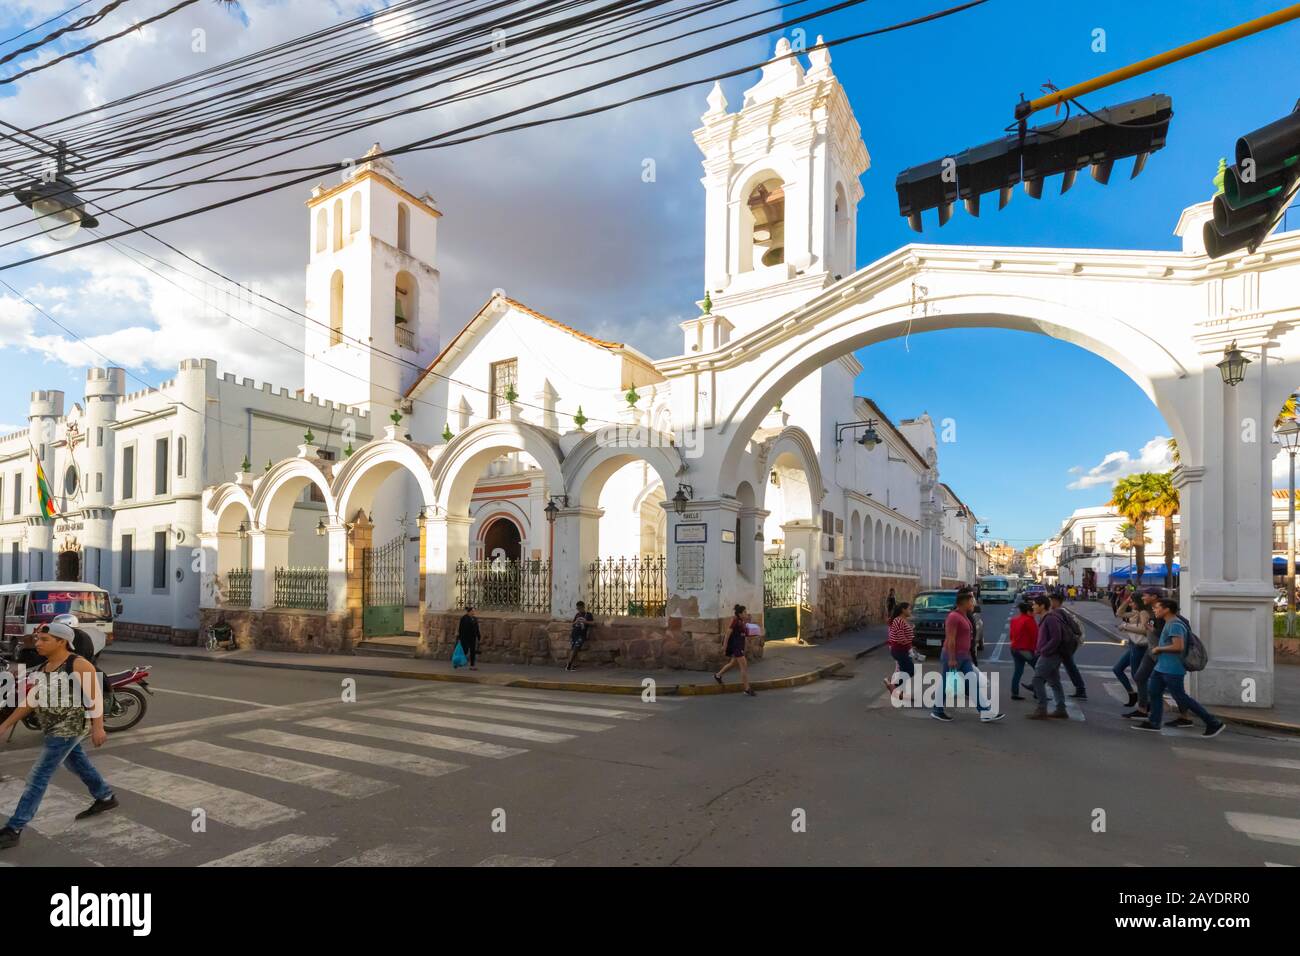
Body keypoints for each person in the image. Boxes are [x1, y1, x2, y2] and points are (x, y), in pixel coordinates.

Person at [0, 622, 117, 850]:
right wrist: (6, 723)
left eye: (44, 640)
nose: (38, 644)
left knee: (38, 775)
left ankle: (14, 828)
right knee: (77, 763)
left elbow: (94, 697)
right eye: (37, 640)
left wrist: (98, 727)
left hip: (68, 728)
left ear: (61, 641)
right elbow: (33, 699)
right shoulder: (45, 666)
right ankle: (105, 796)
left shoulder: (79, 665)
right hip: (52, 726)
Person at [1131, 598, 1225, 738]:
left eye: (1157, 608)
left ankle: (1213, 722)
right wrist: (1153, 632)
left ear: (1167, 609)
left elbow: (1178, 646)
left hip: (1172, 669)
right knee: (1154, 692)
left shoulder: (1175, 624)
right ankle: (1154, 722)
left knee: (1181, 697)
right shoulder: (1168, 623)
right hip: (1162, 667)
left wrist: (1159, 649)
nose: (1154, 610)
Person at [931, 589, 1002, 723]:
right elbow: (951, 639)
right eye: (971, 601)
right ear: (964, 602)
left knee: (972, 682)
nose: (973, 603)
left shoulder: (964, 615)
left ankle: (985, 711)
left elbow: (966, 637)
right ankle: (937, 711)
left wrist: (969, 655)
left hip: (964, 657)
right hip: (953, 657)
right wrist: (952, 658)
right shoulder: (953, 617)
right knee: (947, 684)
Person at [1124, 588, 1192, 726]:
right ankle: (1147, 711)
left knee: (1173, 689)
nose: (1143, 597)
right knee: (1144, 679)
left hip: (1162, 653)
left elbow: (1162, 632)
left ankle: (1187, 717)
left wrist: (1148, 626)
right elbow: (1149, 628)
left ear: (1155, 597)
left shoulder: (1165, 614)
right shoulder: (1153, 612)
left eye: (1146, 595)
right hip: (1153, 651)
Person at [1028, 594, 1068, 720]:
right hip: (1051, 654)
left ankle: (1041, 709)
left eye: (1035, 604)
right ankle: (1061, 709)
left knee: (1037, 680)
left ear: (1042, 606)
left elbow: (1056, 638)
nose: (1033, 606)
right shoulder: (1045, 618)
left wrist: (1043, 650)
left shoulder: (1050, 619)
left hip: (1050, 655)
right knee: (1054, 682)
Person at [1112, 592, 1149, 708]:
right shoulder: (1136, 612)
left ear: (1138, 602)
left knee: (1136, 675)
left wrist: (1126, 627)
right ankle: (1132, 694)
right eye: (1131, 602)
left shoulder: (1143, 613)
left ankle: (1144, 703)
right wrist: (1127, 600)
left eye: (1133, 602)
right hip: (1133, 644)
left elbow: (1144, 630)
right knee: (1118, 669)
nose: (1131, 603)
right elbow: (1119, 613)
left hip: (1139, 646)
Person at [1049, 592, 1088, 700]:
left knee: (1049, 665)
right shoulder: (1063, 611)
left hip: (1065, 644)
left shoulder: (1059, 612)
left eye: (1051, 600)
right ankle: (1081, 689)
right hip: (1068, 644)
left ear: (1056, 601)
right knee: (1068, 666)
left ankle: (1036, 685)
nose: (1049, 602)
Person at [714, 604, 756, 696]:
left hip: (739, 646)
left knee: (732, 663)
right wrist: (724, 646)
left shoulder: (742, 621)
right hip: (736, 647)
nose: (746, 613)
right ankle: (747, 689)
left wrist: (746, 644)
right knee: (744, 667)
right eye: (744, 612)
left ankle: (718, 675)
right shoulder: (735, 621)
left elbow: (742, 635)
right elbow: (728, 634)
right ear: (740, 614)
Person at [1008, 600, 1038, 701]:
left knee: (1018, 672)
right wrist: (1036, 650)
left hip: (1014, 648)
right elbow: (1035, 637)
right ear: (1029, 611)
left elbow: (1011, 636)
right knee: (1041, 670)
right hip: (1025, 649)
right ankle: (1038, 691)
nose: (1034, 612)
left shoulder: (1014, 620)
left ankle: (1014, 693)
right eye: (1033, 610)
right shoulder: (1030, 620)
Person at [884, 602, 914, 694]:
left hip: (902, 650)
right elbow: (901, 638)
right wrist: (909, 643)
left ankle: (897, 688)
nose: (910, 611)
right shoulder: (899, 620)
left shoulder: (902, 620)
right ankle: (893, 685)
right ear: (903, 610)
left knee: (904, 671)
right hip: (899, 650)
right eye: (909, 609)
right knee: (910, 670)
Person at [564, 601, 594, 671]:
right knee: (573, 649)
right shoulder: (577, 615)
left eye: (580, 608)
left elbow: (593, 623)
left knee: (575, 649)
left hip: (581, 635)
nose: (579, 610)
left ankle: (569, 665)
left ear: (583, 607)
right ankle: (571, 665)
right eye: (578, 608)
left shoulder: (588, 614)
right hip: (574, 634)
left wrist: (585, 622)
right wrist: (576, 622)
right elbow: (573, 624)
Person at [457, 606, 480, 671]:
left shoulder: (475, 618)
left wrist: (478, 636)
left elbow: (477, 628)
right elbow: (460, 628)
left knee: (473, 651)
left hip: (473, 638)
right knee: (465, 651)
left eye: (474, 611)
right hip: (465, 638)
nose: (474, 612)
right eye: (472, 611)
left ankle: (472, 665)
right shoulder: (464, 618)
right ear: (469, 612)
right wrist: (460, 637)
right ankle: (459, 662)